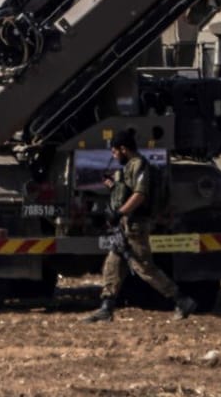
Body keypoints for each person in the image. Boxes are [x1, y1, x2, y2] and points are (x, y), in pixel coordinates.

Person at [85, 130, 196, 321]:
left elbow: (139, 195)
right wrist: (113, 186)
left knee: (144, 267)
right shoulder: (130, 166)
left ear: (123, 149)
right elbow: (127, 192)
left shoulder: (139, 165)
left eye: (114, 152)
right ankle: (106, 307)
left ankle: (181, 300)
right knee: (113, 264)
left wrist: (120, 212)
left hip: (136, 225)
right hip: (125, 225)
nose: (113, 156)